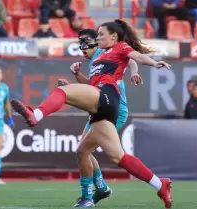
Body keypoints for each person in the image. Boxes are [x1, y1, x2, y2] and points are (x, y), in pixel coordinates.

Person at [11, 19, 172, 208]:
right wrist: (77, 83)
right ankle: (160, 184)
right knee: (105, 154)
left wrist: (154, 63)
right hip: (101, 104)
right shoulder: (99, 58)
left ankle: (35, 115)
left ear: (113, 36)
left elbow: (136, 57)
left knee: (62, 93)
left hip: (108, 97)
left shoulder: (119, 47)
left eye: (101, 33)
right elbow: (93, 86)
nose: (99, 37)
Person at [57, 28, 146, 206]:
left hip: (113, 110)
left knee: (91, 152)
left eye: (85, 42)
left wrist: (134, 72)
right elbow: (93, 87)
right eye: (79, 43)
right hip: (100, 108)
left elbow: (131, 57)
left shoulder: (105, 51)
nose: (82, 47)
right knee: (84, 151)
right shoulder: (95, 60)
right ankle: (100, 189)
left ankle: (91, 195)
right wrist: (75, 79)